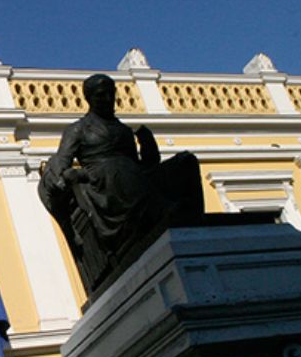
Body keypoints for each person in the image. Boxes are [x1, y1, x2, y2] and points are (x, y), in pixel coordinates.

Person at [39, 74, 203, 291]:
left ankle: (192, 220)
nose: (107, 99)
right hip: (100, 181)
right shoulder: (78, 129)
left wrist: (148, 146)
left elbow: (144, 167)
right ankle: (162, 210)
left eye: (110, 93)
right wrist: (66, 176)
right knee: (118, 167)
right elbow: (62, 162)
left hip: (128, 180)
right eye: (100, 95)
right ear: (89, 98)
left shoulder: (123, 130)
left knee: (185, 162)